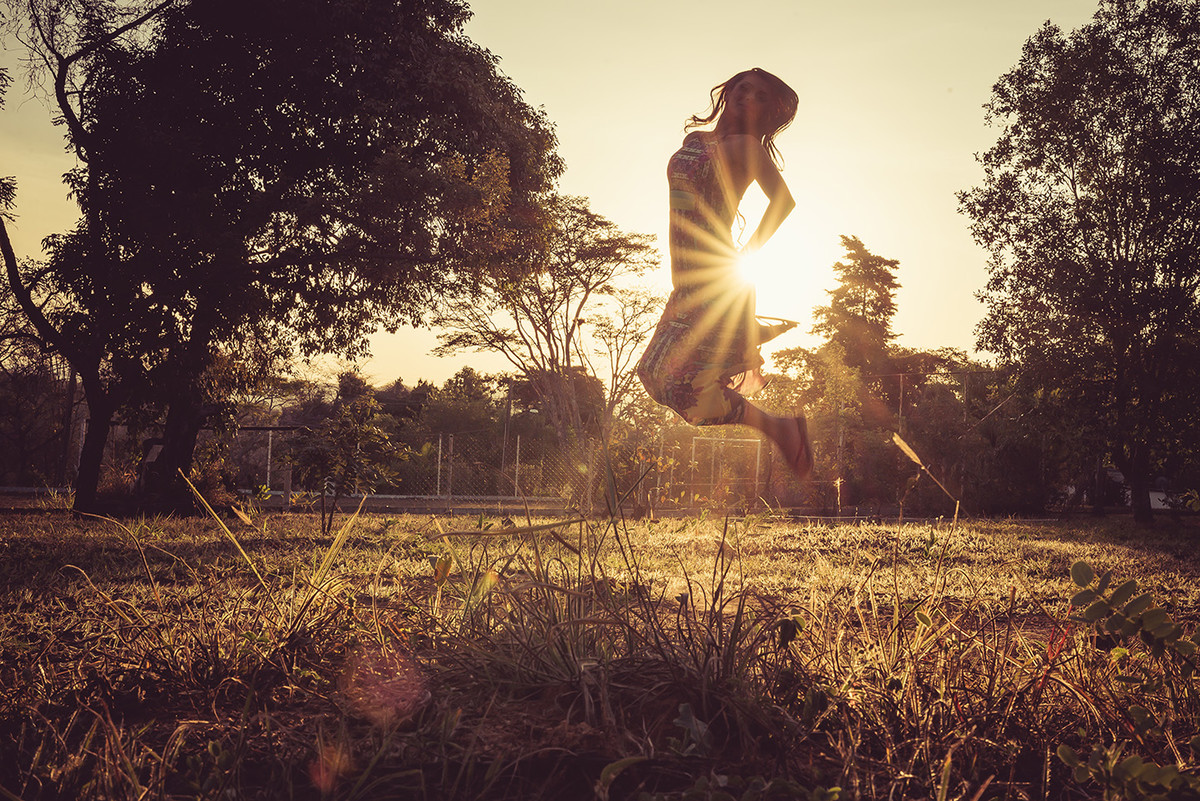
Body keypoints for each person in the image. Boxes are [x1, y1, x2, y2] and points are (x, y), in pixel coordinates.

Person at [636, 67, 813, 477]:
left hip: (717, 282)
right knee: (654, 377)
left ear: (768, 111)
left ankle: (782, 429)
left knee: (681, 388)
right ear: (728, 91)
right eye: (743, 88)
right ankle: (754, 355)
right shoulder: (696, 141)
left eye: (760, 96)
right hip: (688, 284)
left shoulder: (746, 146)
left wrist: (746, 254)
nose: (747, 97)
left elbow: (783, 203)